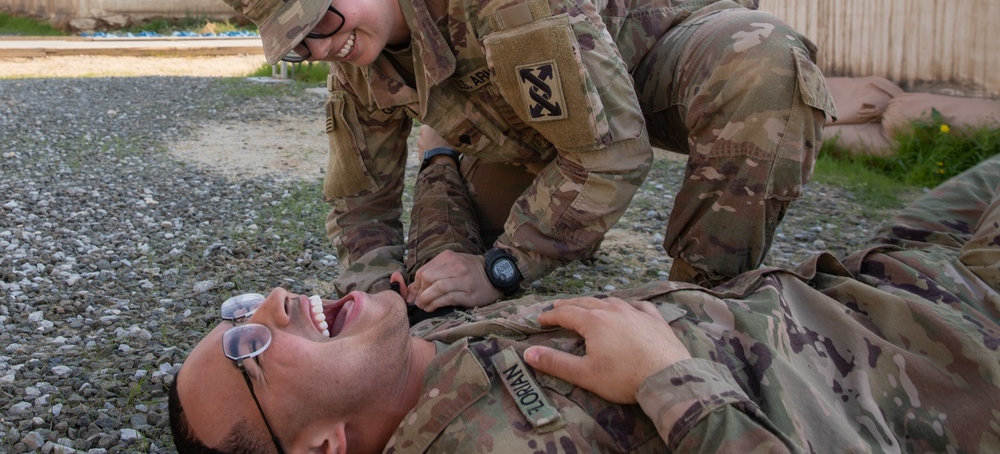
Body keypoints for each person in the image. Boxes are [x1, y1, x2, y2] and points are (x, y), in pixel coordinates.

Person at [218, 0, 838, 309]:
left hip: (650, 59)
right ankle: (445, 155)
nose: (321, 49)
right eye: (298, 44)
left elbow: (612, 153)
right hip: (535, 128)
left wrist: (502, 268)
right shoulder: (355, 55)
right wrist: (378, 295)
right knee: (438, 291)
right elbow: (359, 203)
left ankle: (704, 306)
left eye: (319, 22)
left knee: (766, 62)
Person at [168, 152, 1000, 453]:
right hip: (956, 354)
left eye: (238, 311)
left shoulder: (405, 359)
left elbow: (437, 242)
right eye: (251, 348)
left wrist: (439, 154)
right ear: (321, 448)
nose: (272, 301)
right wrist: (673, 381)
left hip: (877, 278)